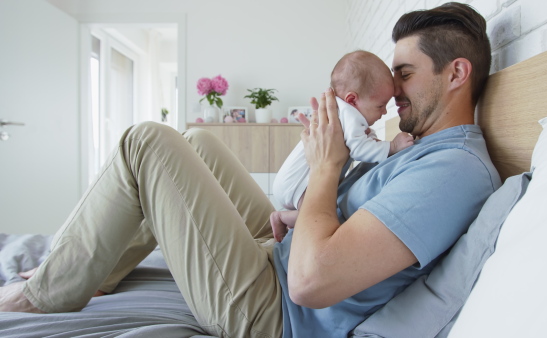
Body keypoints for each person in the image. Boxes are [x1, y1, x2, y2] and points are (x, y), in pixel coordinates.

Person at [0, 2, 500, 337]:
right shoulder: (419, 148)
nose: (393, 96)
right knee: (197, 142)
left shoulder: (454, 169)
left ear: (456, 73)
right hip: (277, 254)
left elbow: (310, 283)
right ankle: (99, 272)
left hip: (275, 309)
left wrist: (325, 167)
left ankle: (43, 294)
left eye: (405, 76)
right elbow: (356, 228)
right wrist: (301, 215)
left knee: (146, 144)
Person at [271, 50, 414, 242]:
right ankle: (281, 217)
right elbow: (360, 149)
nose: (383, 113)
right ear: (352, 100)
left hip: (290, 180)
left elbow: (362, 139)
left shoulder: (343, 112)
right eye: (380, 106)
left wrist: (375, 141)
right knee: (322, 215)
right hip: (297, 183)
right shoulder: (349, 115)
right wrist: (392, 146)